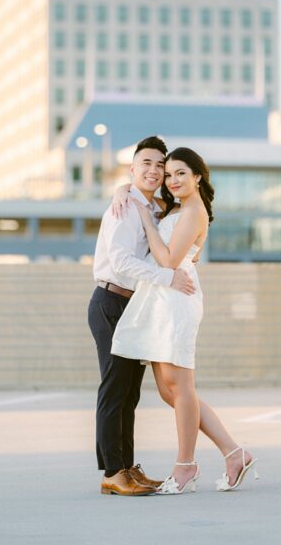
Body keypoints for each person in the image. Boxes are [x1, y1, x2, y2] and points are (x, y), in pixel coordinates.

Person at [111, 147, 258, 495]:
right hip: (162, 299)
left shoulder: (193, 211)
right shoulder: (176, 208)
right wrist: (122, 190)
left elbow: (168, 260)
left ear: (198, 176)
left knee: (181, 387)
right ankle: (234, 453)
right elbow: (139, 197)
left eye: (181, 173)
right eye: (170, 173)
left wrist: (146, 222)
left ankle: (186, 465)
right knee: (170, 391)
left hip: (176, 298)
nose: (173, 179)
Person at [88, 136, 197, 497]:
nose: (153, 170)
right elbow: (120, 260)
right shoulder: (123, 208)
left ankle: (126, 467)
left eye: (159, 166)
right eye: (145, 164)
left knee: (130, 392)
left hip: (133, 306)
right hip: (111, 301)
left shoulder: (152, 208)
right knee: (115, 388)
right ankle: (111, 472)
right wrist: (167, 277)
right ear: (133, 169)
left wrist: (124, 188)